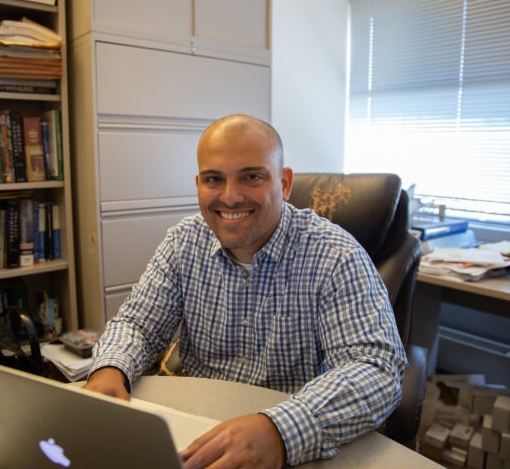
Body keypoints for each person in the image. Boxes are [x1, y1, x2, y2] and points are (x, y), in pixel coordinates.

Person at [84, 114, 407, 468]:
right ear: (198, 184)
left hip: (291, 447)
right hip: (195, 429)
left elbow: (376, 369)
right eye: (213, 179)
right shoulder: (183, 241)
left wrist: (280, 430)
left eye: (251, 176)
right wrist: (110, 370)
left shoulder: (334, 255)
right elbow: (138, 326)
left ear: (284, 184)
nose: (230, 197)